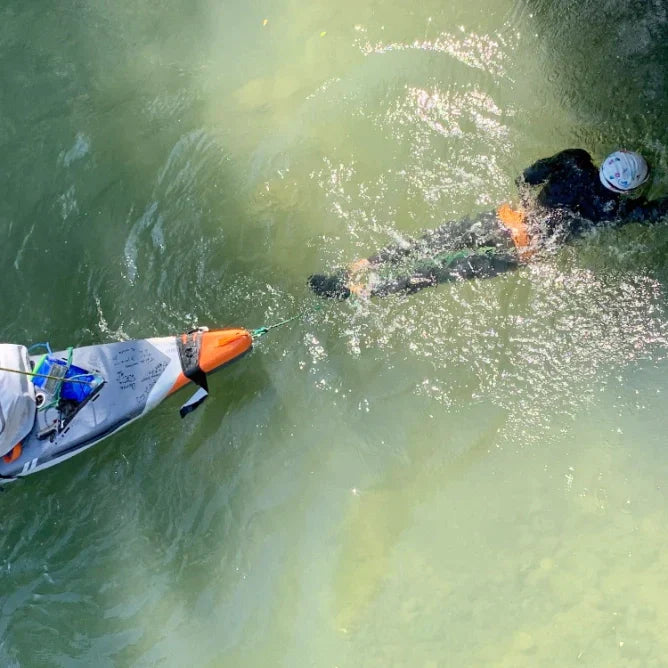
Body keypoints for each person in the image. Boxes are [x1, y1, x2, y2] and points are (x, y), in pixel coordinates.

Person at [308, 149, 668, 298]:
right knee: (438, 273)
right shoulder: (616, 212)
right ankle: (362, 293)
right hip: (525, 250)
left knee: (427, 244)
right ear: (631, 188)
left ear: (605, 162)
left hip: (509, 220)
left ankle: (360, 265)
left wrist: (526, 200)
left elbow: (529, 175)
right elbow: (657, 212)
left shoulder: (576, 160)